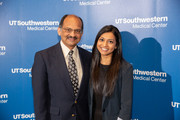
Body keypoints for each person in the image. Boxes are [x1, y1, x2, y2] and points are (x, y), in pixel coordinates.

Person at [32, 14, 91, 120]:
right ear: (59, 30)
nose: (72, 34)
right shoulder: (43, 57)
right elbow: (40, 100)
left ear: (81, 34)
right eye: (68, 29)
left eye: (77, 31)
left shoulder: (89, 57)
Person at [88, 25, 133, 120]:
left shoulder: (125, 68)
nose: (104, 45)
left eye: (110, 42)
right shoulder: (89, 64)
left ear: (116, 45)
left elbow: (126, 105)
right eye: (102, 40)